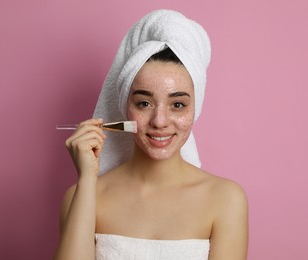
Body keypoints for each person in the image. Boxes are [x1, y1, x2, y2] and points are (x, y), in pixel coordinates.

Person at [54, 9, 248, 260]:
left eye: (177, 105)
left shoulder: (226, 199)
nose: (160, 121)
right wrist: (88, 179)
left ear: (195, 110)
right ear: (125, 106)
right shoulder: (82, 196)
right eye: (144, 103)